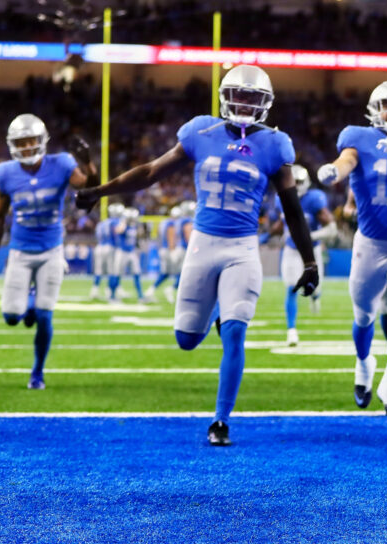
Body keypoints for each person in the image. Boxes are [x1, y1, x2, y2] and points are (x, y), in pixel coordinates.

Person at [76, 65, 319, 446]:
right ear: (224, 97)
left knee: (236, 332)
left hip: (242, 248)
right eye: (239, 95)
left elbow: (292, 207)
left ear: (266, 104)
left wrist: (309, 260)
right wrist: (100, 191)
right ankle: (217, 314)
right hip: (203, 245)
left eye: (253, 97)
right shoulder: (200, 131)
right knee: (186, 339)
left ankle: (221, 420)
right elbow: (151, 172)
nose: (245, 103)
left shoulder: (274, 144)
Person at [315, 80, 387, 418]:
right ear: (375, 111)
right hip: (372, 242)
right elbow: (347, 160)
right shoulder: (358, 137)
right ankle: (364, 365)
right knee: (364, 315)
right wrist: (335, 170)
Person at [0, 114, 97, 389]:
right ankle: (29, 307)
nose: (26, 146)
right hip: (21, 250)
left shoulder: (61, 164)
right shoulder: (5, 173)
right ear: (12, 144)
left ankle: (37, 372)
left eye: (30, 140)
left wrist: (88, 163)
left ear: (41, 140)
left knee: (45, 315)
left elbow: (89, 188)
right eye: (20, 142)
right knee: (12, 317)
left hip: (51, 249)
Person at [274, 164, 335, 345]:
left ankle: (316, 296)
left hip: (312, 249)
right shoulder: (281, 199)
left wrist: (308, 236)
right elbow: (281, 222)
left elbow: (332, 229)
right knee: (291, 287)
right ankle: (291, 330)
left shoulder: (315, 199)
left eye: (298, 181)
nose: (295, 185)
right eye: (292, 181)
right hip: (291, 250)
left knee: (314, 287)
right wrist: (271, 233)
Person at [90, 202, 124, 300]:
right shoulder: (116, 222)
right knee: (112, 271)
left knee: (98, 271)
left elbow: (98, 235)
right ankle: (110, 292)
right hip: (111, 247)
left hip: (100, 247)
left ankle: (94, 291)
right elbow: (117, 234)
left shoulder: (103, 222)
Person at [150, 205, 183, 303]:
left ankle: (151, 291)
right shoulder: (171, 224)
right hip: (169, 250)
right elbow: (171, 237)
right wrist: (173, 250)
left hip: (164, 249)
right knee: (177, 273)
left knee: (168, 273)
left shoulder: (164, 222)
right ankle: (169, 290)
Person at [112, 207, 145, 303]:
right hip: (122, 251)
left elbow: (139, 235)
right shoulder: (123, 224)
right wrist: (124, 222)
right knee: (117, 274)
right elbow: (118, 231)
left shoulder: (134, 226)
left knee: (137, 273)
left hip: (131, 252)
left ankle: (140, 296)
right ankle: (113, 296)